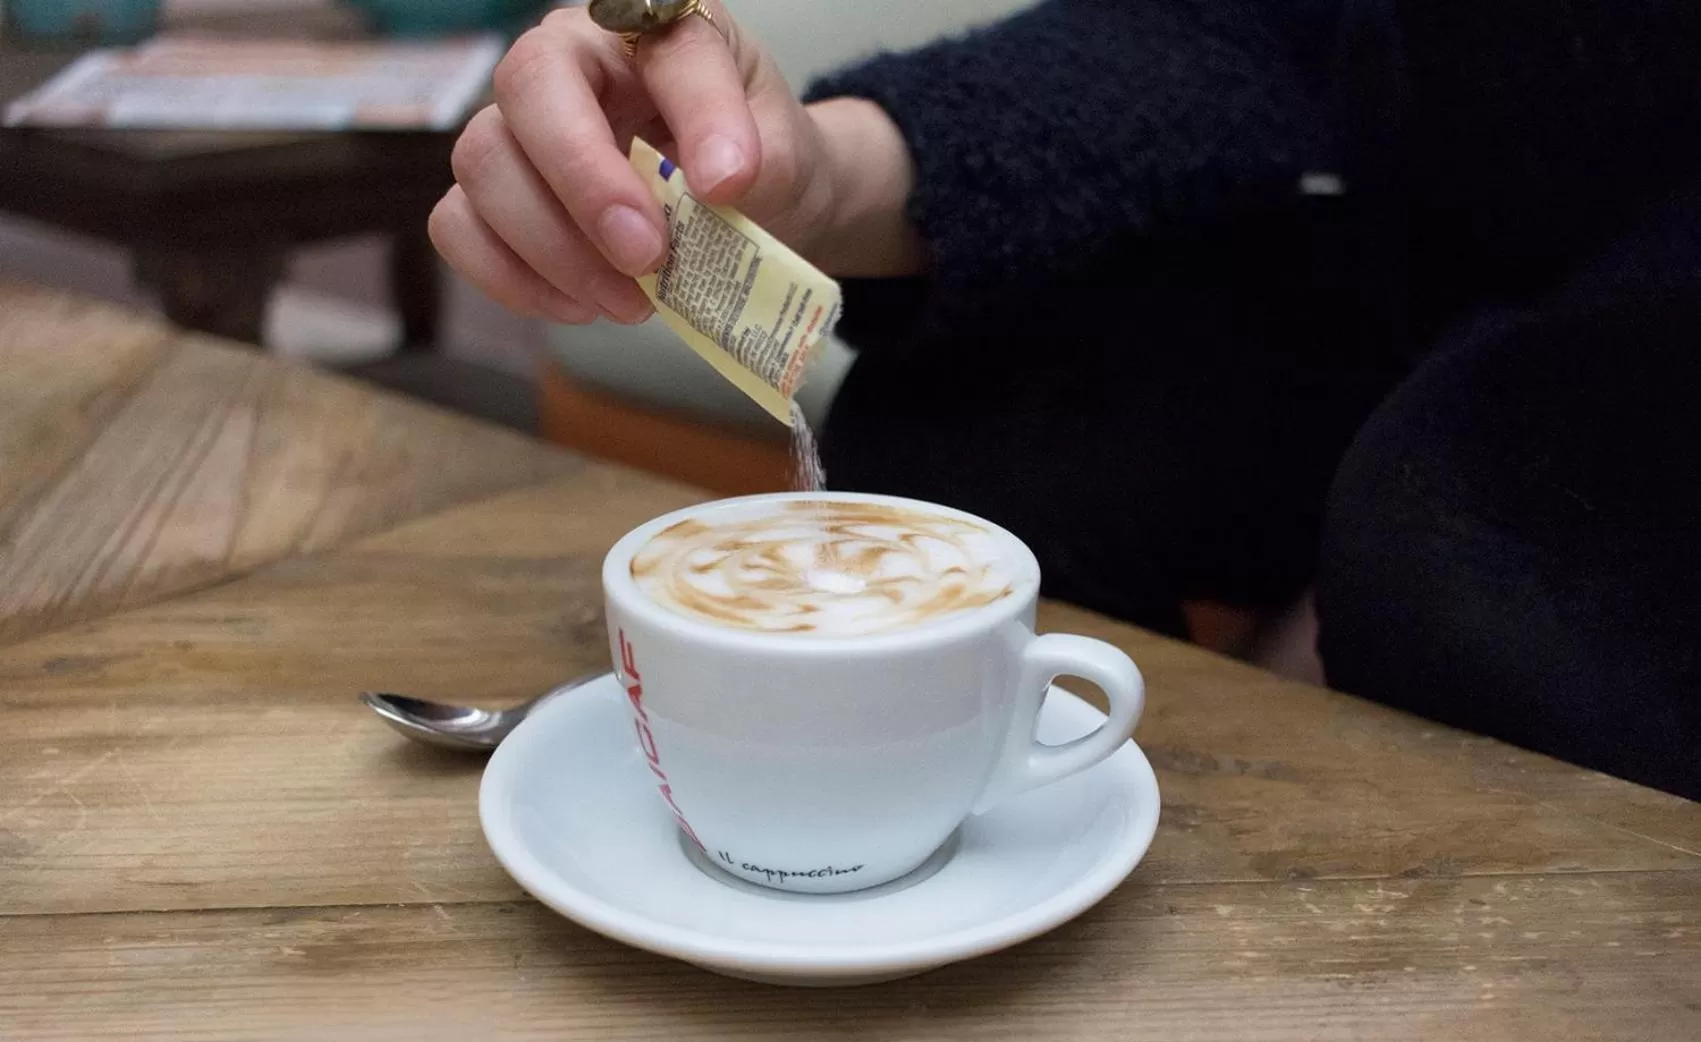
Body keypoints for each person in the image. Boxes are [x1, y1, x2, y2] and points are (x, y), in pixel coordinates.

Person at [428, 0, 1701, 800]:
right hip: (1437, 239)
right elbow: (1270, 35)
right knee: (965, 432)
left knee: (1484, 548)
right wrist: (818, 172)